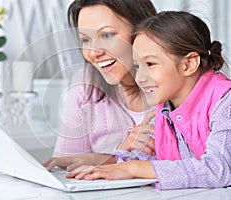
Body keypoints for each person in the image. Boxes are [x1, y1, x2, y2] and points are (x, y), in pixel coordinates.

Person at [67, 11, 231, 190]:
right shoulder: (164, 110)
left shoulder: (225, 102)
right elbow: (140, 159)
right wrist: (100, 168)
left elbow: (218, 170)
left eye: (150, 64)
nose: (140, 78)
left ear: (189, 64)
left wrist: (133, 168)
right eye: (137, 66)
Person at [43, 0, 157, 171]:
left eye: (107, 35)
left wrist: (110, 160)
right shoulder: (85, 84)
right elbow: (64, 164)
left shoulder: (175, 81)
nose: (95, 52)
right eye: (86, 39)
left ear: (141, 30)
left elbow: (197, 167)